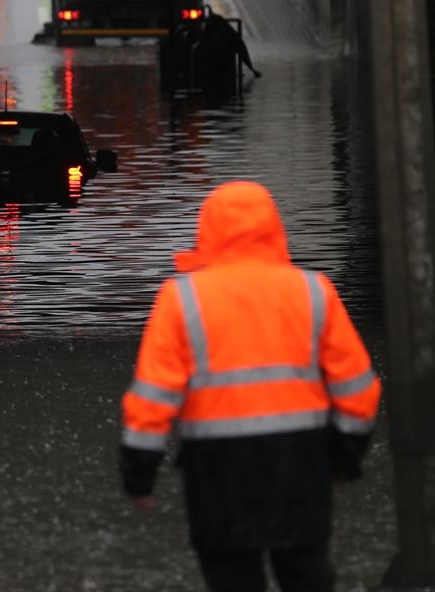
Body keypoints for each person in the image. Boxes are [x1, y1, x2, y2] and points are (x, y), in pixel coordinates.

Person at [120, 181, 380, 592]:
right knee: (307, 572)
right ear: (275, 227)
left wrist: (139, 473)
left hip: (216, 469)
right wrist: (345, 454)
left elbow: (153, 396)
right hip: (300, 463)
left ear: (207, 230)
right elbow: (357, 387)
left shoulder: (181, 299)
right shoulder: (313, 292)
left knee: (231, 577)